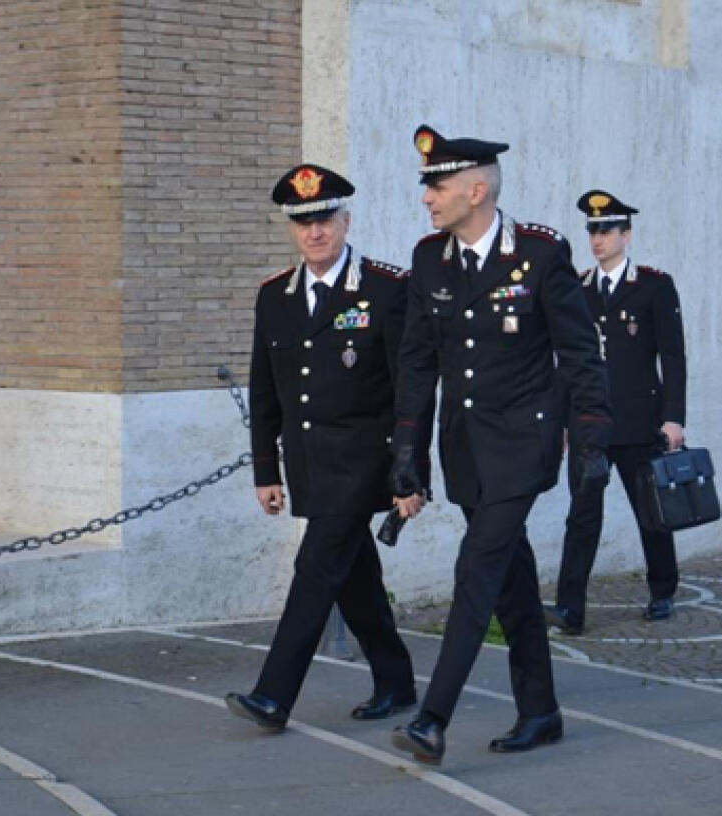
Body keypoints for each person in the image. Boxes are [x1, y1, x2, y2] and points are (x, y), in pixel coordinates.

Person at [387, 125, 612, 766]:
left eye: (438, 186)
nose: (427, 198)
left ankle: (432, 718)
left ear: (476, 191)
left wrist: (591, 438)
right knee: (511, 579)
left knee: (477, 568)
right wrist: (407, 451)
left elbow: (579, 353)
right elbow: (417, 363)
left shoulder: (539, 254)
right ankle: (540, 710)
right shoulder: (428, 260)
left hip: (522, 444)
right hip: (464, 447)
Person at [224, 163, 421, 731]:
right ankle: (396, 680)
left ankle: (273, 695)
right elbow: (265, 389)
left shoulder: (385, 289)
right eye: (303, 223)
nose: (315, 232)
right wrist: (266, 470)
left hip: (364, 462)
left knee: (314, 569)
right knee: (354, 576)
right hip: (310, 464)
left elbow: (410, 389)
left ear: (346, 221)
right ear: (292, 228)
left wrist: (409, 470)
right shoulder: (274, 297)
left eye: (325, 220)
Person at [543, 190, 687, 635]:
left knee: (651, 514)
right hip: (589, 424)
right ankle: (570, 607)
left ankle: (662, 591)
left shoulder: (653, 286)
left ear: (627, 234)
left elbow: (673, 357)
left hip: (639, 421)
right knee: (582, 516)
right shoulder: (578, 289)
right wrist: (561, 421)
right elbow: (566, 362)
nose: (597, 239)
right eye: (592, 230)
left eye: (606, 231)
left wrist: (673, 418)